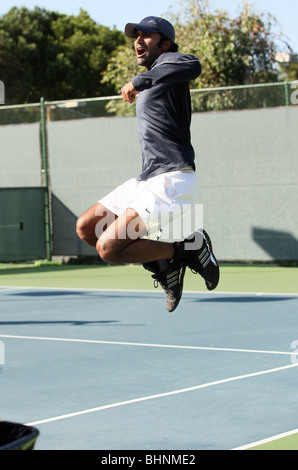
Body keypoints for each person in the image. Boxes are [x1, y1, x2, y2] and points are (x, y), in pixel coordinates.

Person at [76, 16, 220, 312]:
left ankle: (190, 247)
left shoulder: (171, 64)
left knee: (108, 249)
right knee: (87, 228)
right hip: (146, 179)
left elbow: (194, 65)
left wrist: (138, 81)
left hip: (172, 178)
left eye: (146, 36)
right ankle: (165, 267)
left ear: (165, 43)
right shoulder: (157, 74)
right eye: (136, 36)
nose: (138, 41)